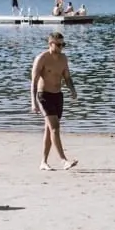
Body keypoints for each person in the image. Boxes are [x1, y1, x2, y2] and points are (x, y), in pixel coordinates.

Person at [29, 32, 78, 171]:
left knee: (49, 129)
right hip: (44, 96)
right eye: (58, 44)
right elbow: (34, 81)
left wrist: (72, 90)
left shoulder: (63, 58)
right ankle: (64, 160)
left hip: (58, 96)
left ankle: (43, 162)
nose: (61, 47)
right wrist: (33, 102)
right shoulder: (42, 58)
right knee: (55, 128)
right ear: (50, 44)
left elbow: (67, 77)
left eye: (63, 44)